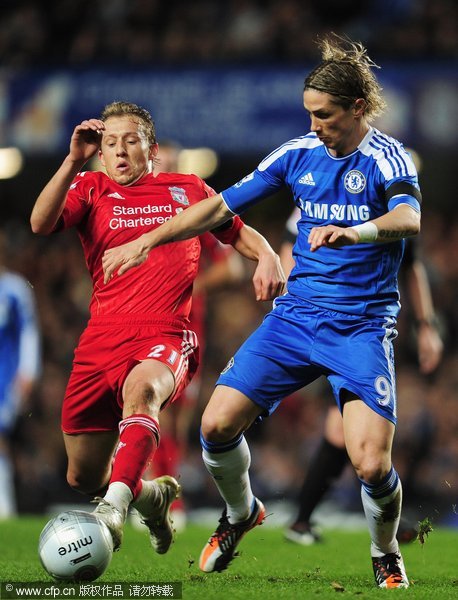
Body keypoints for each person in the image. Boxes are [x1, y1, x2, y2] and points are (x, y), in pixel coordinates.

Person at [101, 35, 422, 589]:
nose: (315, 125)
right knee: (215, 424)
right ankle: (241, 512)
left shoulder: (385, 158)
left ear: (358, 109)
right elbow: (217, 208)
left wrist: (357, 231)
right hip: (295, 319)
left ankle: (386, 548)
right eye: (309, 115)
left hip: (361, 326)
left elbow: (409, 219)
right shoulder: (295, 154)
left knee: (370, 465)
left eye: (325, 116)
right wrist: (147, 240)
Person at [30, 101, 285, 555]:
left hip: (166, 333)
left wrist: (265, 254)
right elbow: (40, 223)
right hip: (101, 339)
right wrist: (72, 160)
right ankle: (149, 496)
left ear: (153, 151)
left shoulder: (187, 189)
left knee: (143, 392)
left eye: (131, 141)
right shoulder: (90, 187)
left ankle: (113, 510)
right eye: (110, 144)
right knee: (81, 476)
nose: (121, 152)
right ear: (101, 155)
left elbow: (237, 231)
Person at [280, 207, 443, 546]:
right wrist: (291, 308)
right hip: (325, 326)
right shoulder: (321, 194)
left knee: (347, 432)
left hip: (373, 330)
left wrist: (426, 325)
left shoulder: (393, 205)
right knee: (348, 432)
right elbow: (288, 247)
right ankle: (375, 521)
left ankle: (305, 519)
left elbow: (411, 264)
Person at [143, 140, 245, 530]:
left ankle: (165, 492)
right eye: (158, 161)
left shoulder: (191, 210)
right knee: (155, 412)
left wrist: (189, 283)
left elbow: (231, 269)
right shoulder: (134, 210)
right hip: (143, 325)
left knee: (178, 420)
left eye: (169, 162)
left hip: (185, 328)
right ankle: (160, 495)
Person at [0, 229, 41, 517]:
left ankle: (4, 506)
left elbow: (29, 334)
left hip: (5, 379)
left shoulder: (14, 288)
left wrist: (28, 372)